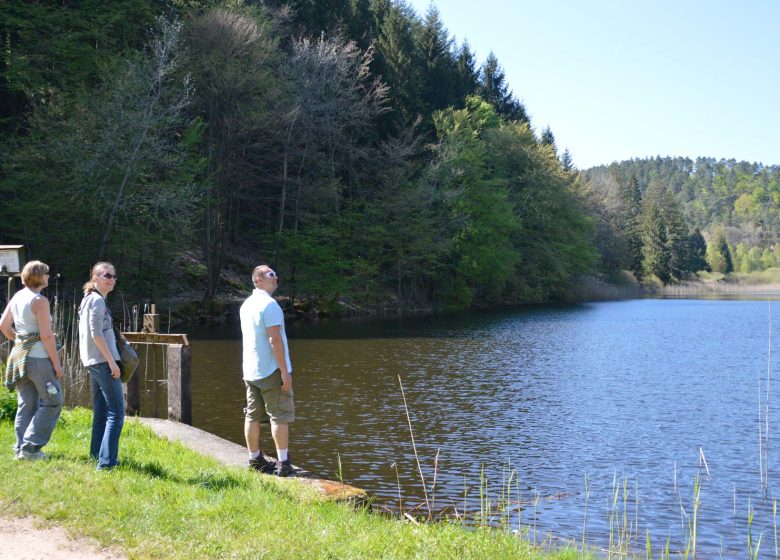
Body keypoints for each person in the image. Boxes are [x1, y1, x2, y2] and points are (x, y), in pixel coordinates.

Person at [0, 260, 64, 460]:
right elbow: (46, 336)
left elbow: (3, 325)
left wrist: (21, 341)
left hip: (20, 358)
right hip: (39, 359)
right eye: (46, 273)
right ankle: (31, 447)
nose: (48, 276)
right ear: (38, 276)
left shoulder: (19, 296)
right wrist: (57, 364)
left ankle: (20, 448)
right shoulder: (39, 301)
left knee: (26, 403)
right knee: (53, 401)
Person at [239, 264, 295, 477]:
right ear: (258, 280)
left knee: (252, 416)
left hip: (251, 371)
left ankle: (255, 459)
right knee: (279, 415)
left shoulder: (246, 305)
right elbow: (274, 339)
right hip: (271, 370)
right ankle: (283, 463)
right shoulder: (270, 305)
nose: (276, 277)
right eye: (271, 274)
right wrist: (284, 371)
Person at [78, 262, 124, 470]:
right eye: (107, 275)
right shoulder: (96, 300)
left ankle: (97, 455)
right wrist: (112, 362)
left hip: (93, 361)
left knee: (102, 411)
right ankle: (106, 463)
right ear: (94, 277)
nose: (112, 279)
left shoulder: (90, 299)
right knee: (116, 413)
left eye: (114, 276)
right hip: (102, 362)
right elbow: (96, 334)